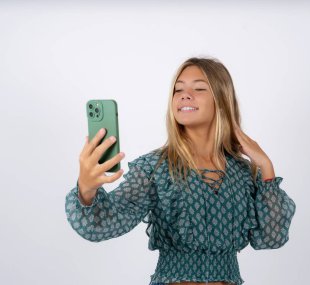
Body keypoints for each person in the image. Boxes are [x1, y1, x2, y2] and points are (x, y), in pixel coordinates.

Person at [65, 57, 296, 285]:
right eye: (178, 90)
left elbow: (271, 238)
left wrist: (265, 165)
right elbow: (104, 225)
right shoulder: (155, 168)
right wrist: (86, 191)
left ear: (222, 100)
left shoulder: (244, 174)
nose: (185, 95)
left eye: (199, 88)